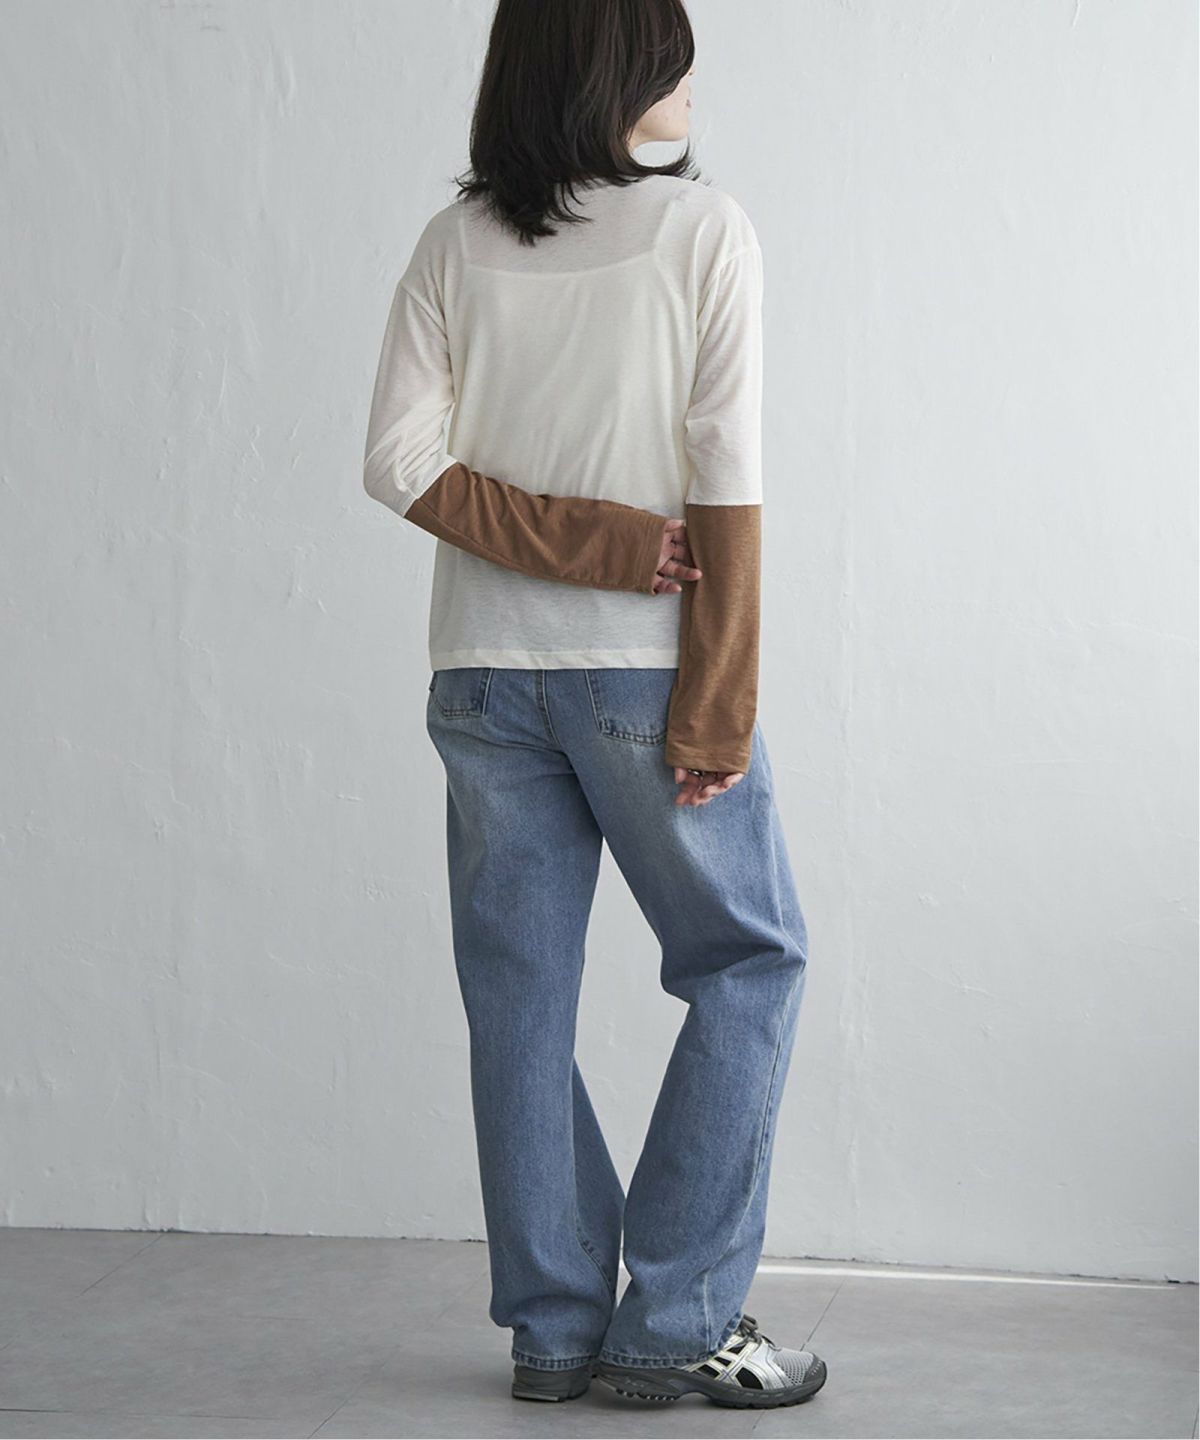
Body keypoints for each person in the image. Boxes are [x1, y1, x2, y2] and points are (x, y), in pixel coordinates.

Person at [362, 0, 826, 1411]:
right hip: (643, 672)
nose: (689, 76)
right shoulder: (704, 230)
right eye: (669, 52)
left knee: (519, 1001)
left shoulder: (456, 241)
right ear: (613, 67)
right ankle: (677, 1320)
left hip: (480, 674)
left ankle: (556, 1330)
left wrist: (579, 542)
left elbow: (398, 463)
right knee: (746, 960)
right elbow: (726, 472)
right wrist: (713, 689)